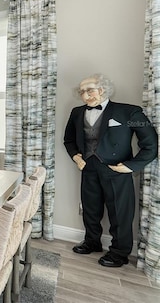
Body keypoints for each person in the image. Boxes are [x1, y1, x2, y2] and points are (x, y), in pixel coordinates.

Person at [63, 73, 158, 267]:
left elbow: (150, 143)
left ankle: (119, 253)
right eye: (82, 92)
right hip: (88, 167)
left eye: (90, 90)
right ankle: (92, 241)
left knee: (120, 212)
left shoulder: (129, 113)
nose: (85, 95)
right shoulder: (76, 113)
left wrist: (131, 166)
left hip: (117, 170)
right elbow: (69, 140)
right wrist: (76, 156)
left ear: (102, 89)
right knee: (90, 208)